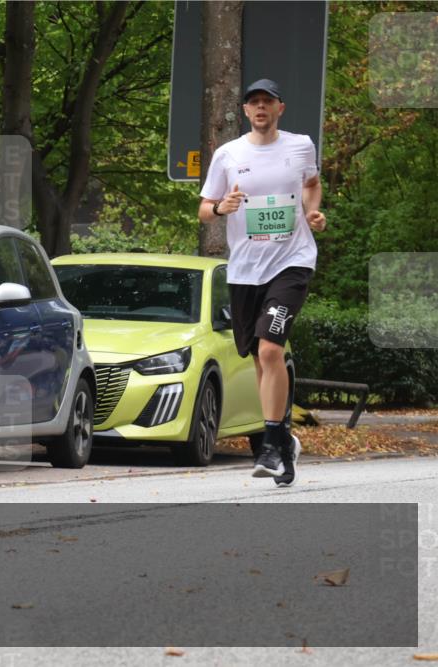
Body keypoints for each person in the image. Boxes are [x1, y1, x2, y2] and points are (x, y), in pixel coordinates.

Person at [198, 78, 327, 488]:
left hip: (292, 262)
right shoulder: (228, 154)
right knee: (259, 358)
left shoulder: (300, 146)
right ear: (245, 111)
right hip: (246, 272)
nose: (260, 108)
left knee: (271, 348)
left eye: (267, 102)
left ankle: (270, 444)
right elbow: (204, 209)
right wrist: (220, 207)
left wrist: (313, 213)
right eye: (253, 102)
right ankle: (284, 443)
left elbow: (311, 183)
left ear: (279, 109)